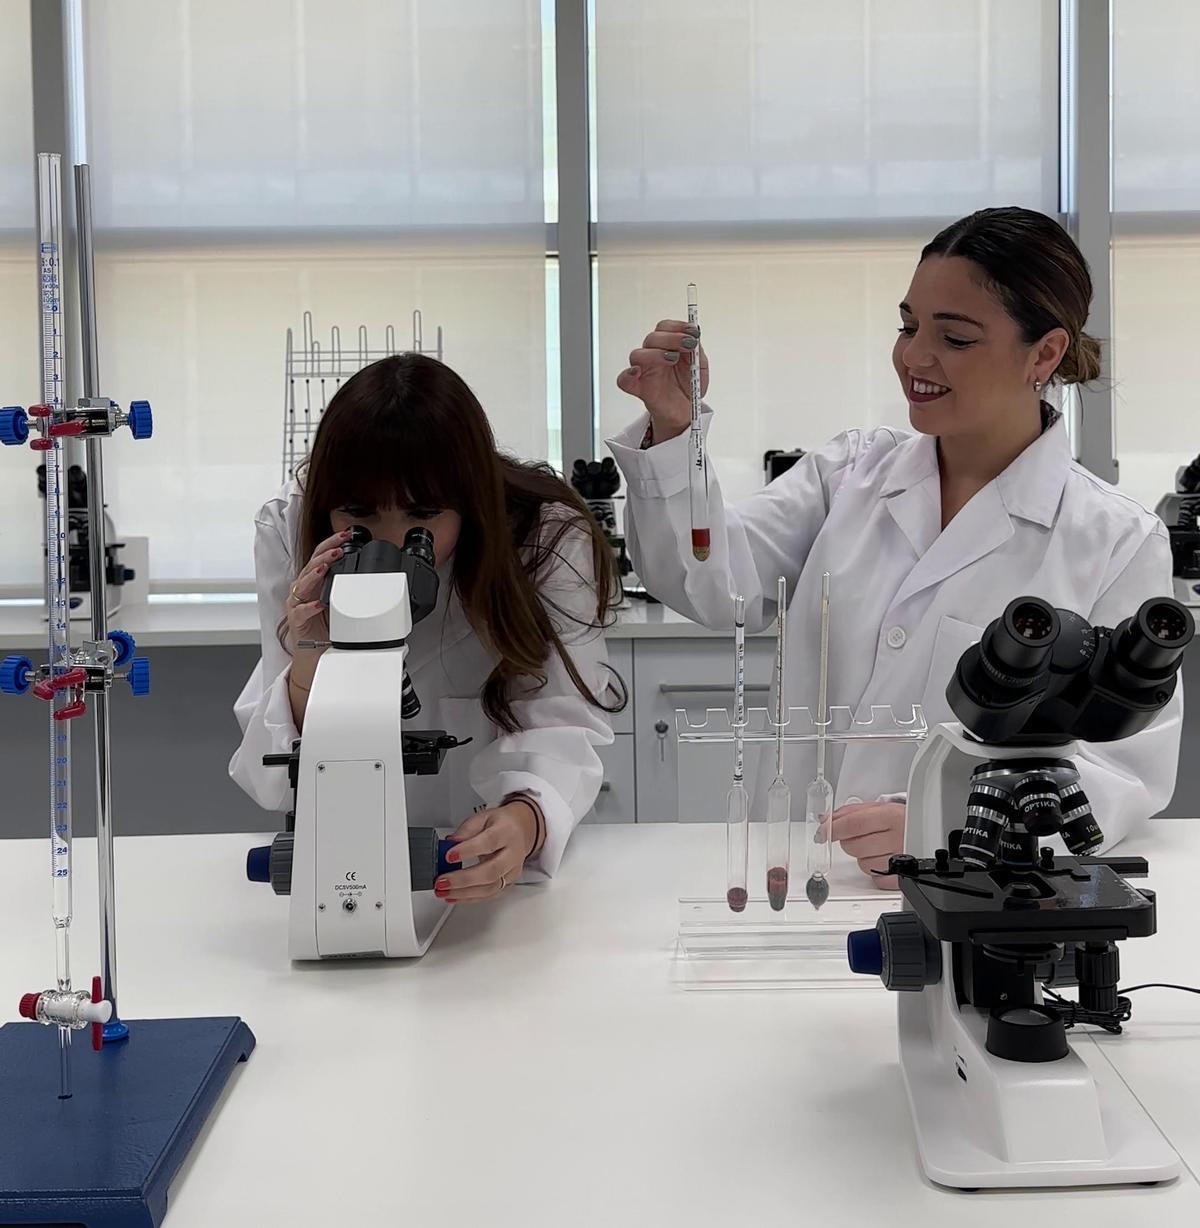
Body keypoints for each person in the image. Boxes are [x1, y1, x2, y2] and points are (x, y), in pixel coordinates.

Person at [607, 206, 1181, 888]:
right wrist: (675, 435)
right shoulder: (849, 474)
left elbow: (1126, 766)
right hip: (793, 876)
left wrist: (945, 822)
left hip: (971, 895)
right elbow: (711, 582)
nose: (914, 357)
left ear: (1045, 353)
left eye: (956, 338)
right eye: (909, 326)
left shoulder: (1113, 537)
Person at [231, 354, 624, 900]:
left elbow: (561, 718)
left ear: (470, 502)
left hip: (502, 869)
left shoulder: (543, 537)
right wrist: (309, 655)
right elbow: (273, 763)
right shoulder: (290, 527)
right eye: (359, 519)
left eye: (422, 518)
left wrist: (527, 819)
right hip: (349, 848)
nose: (390, 543)